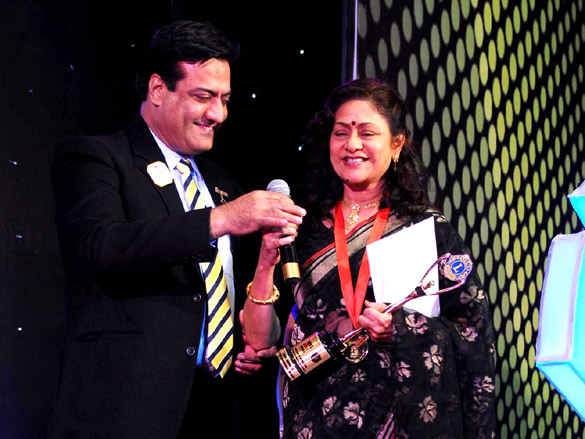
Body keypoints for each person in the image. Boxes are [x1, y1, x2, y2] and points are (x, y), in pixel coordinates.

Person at [48, 20, 305, 439]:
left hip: (215, 407)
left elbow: (240, 301)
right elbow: (101, 246)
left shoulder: (223, 185)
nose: (217, 114)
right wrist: (220, 220)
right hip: (124, 410)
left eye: (224, 99)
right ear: (157, 89)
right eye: (203, 97)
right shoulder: (97, 158)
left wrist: (254, 336)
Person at [244, 78, 496, 438]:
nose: (352, 144)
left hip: (396, 421)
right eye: (341, 133)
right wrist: (266, 261)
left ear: (397, 144)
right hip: (313, 416)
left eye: (367, 133)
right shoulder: (301, 227)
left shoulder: (426, 231)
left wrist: (403, 328)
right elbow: (261, 341)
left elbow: (471, 332)